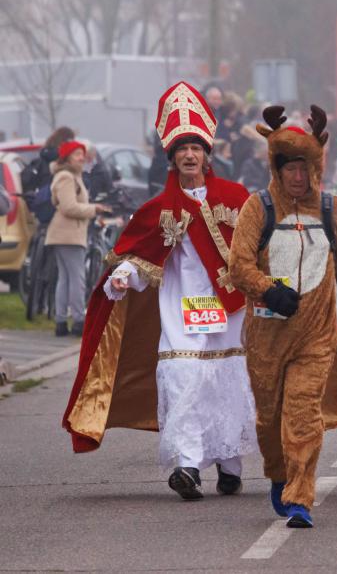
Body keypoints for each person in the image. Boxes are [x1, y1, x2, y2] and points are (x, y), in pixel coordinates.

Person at [62, 81, 257, 500]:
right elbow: (139, 256)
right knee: (183, 377)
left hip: (228, 311)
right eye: (182, 149)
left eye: (196, 148)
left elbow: (258, 247)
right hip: (180, 308)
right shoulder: (157, 210)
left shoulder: (237, 199)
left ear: (207, 154)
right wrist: (123, 276)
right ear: (171, 157)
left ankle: (229, 464)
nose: (190, 155)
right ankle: (187, 465)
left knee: (223, 380)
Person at [229, 104, 337, 529]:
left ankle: (300, 496)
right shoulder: (257, 209)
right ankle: (279, 473)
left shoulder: (332, 210)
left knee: (303, 414)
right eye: (289, 167)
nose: (297, 176)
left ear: (316, 166)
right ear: (277, 168)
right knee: (269, 419)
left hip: (314, 338)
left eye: (304, 167)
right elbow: (238, 265)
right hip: (265, 340)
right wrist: (268, 291)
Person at [46, 140, 111, 336]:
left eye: (82, 154)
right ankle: (78, 321)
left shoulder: (72, 175)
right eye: (76, 154)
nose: (81, 158)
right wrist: (94, 208)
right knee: (76, 278)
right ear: (66, 157)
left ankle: (60, 322)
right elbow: (68, 207)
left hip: (65, 233)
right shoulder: (66, 177)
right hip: (68, 234)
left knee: (65, 279)